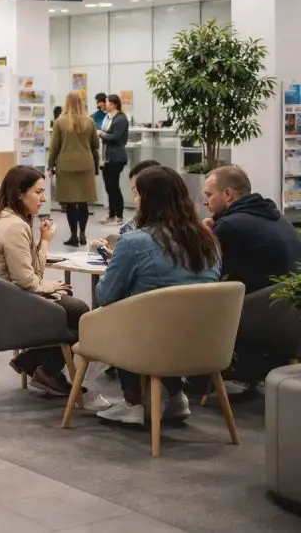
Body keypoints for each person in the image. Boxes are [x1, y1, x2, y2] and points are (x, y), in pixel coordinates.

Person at [0, 166, 107, 406]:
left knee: (69, 308)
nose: (43, 198)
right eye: (38, 192)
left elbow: (29, 274)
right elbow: (29, 280)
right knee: (81, 312)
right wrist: (49, 277)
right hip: (2, 310)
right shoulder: (14, 226)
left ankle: (37, 363)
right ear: (20, 194)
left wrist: (42, 245)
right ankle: (43, 367)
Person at [94, 166, 221, 425]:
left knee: (122, 316)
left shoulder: (134, 242)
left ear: (148, 199)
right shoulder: (209, 241)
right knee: (169, 316)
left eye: (137, 194)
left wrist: (114, 267)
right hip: (206, 343)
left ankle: (133, 402)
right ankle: (176, 396)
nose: (135, 200)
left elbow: (105, 295)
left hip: (150, 345)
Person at [203, 166, 301, 294]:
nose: (205, 202)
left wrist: (204, 235)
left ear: (227, 194)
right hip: (289, 300)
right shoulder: (280, 219)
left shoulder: (228, 227)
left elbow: (202, 276)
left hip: (261, 303)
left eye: (209, 195)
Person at [49, 91, 100, 247]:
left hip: (66, 166)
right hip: (86, 165)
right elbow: (95, 145)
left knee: (70, 203)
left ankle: (73, 236)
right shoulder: (89, 121)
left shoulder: (59, 122)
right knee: (83, 202)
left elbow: (54, 147)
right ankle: (83, 234)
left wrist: (50, 165)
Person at [98, 94, 130, 226]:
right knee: (109, 187)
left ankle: (119, 216)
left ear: (114, 104)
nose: (104, 104)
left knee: (114, 187)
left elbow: (115, 137)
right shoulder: (108, 117)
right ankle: (111, 215)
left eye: (107, 102)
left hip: (116, 157)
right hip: (106, 158)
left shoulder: (121, 119)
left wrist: (101, 134)